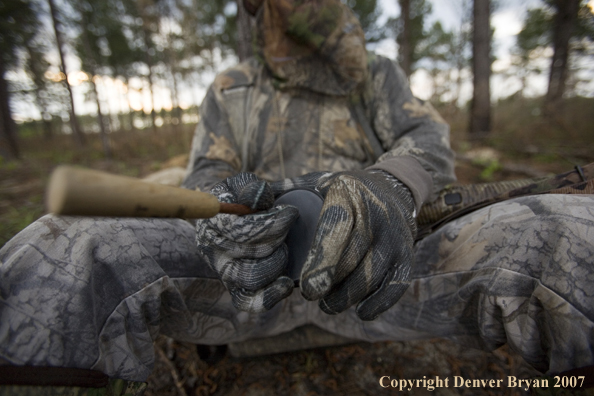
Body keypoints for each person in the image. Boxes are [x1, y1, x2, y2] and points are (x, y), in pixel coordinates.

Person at [1, 0, 593, 393]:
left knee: (569, 229)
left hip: (392, 269)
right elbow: (208, 170)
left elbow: (427, 145)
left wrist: (386, 185)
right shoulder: (231, 86)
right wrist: (220, 219)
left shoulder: (377, 75)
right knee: (64, 243)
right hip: (249, 280)